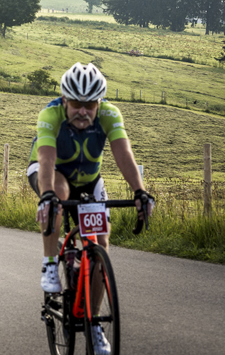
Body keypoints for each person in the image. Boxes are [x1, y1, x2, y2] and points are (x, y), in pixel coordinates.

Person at [27, 62, 154, 355]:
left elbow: (123, 153)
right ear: (64, 101)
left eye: (90, 105)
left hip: (89, 180)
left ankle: (94, 323)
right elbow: (46, 159)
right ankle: (50, 263)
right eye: (76, 104)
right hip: (51, 174)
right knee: (58, 194)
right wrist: (47, 195)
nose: (83, 111)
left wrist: (139, 192)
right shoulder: (50, 114)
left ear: (99, 103)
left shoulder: (110, 114)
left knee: (100, 246)